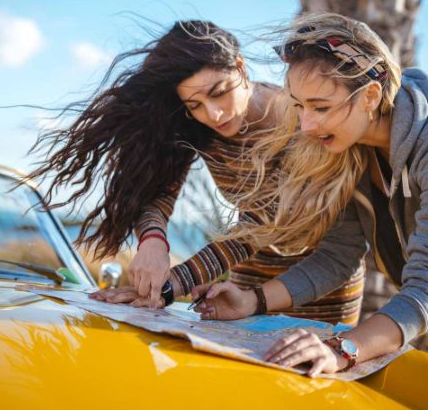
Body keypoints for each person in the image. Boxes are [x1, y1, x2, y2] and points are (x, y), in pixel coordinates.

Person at [27, 20, 364, 324]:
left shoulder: (294, 122)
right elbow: (159, 191)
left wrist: (171, 286)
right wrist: (152, 241)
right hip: (245, 286)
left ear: (241, 67)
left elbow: (260, 225)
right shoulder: (199, 128)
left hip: (321, 286)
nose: (214, 114)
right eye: (195, 105)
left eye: (220, 92)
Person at [192, 12, 428, 376]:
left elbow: (425, 289)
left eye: (320, 107)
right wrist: (251, 301)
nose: (306, 125)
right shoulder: (351, 149)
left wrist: (344, 349)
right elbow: (338, 256)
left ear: (370, 96)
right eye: (300, 107)